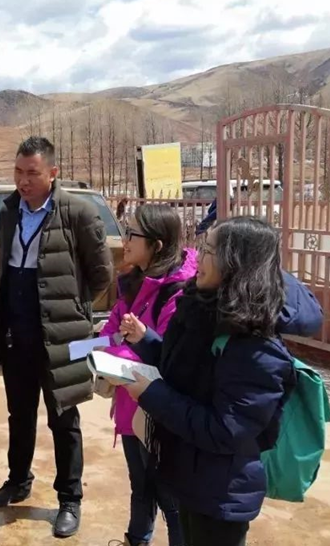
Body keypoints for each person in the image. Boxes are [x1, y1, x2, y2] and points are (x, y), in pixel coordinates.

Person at [120, 217, 324, 546]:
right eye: (202, 247)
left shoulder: (256, 347)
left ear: (236, 263)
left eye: (209, 251)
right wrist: (147, 341)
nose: (198, 258)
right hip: (190, 473)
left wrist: (152, 394)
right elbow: (189, 373)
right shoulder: (206, 309)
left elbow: (225, 430)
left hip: (221, 494)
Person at [0, 136, 114, 539]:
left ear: (53, 173)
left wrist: (73, 309)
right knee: (19, 415)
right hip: (17, 332)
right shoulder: (10, 210)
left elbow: (102, 274)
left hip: (61, 334)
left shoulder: (78, 213)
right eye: (18, 172)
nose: (23, 180)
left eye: (32, 173)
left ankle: (69, 499)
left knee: (64, 418)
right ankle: (18, 480)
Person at [98, 204, 196, 546]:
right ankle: (136, 538)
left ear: (156, 244)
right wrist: (87, 350)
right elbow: (111, 333)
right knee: (140, 486)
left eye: (132, 234)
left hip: (160, 412)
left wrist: (116, 354)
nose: (124, 241)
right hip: (130, 405)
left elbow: (168, 355)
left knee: (170, 498)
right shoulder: (133, 281)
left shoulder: (178, 293)